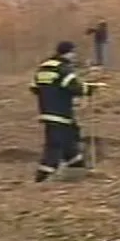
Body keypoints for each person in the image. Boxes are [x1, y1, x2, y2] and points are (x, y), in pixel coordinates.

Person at [30, 41, 94, 182]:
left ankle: (75, 165)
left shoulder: (43, 67)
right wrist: (89, 89)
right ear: (68, 52)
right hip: (61, 112)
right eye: (74, 52)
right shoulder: (64, 69)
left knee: (70, 137)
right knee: (55, 143)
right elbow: (75, 88)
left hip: (46, 110)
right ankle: (44, 174)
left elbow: (34, 88)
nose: (75, 56)